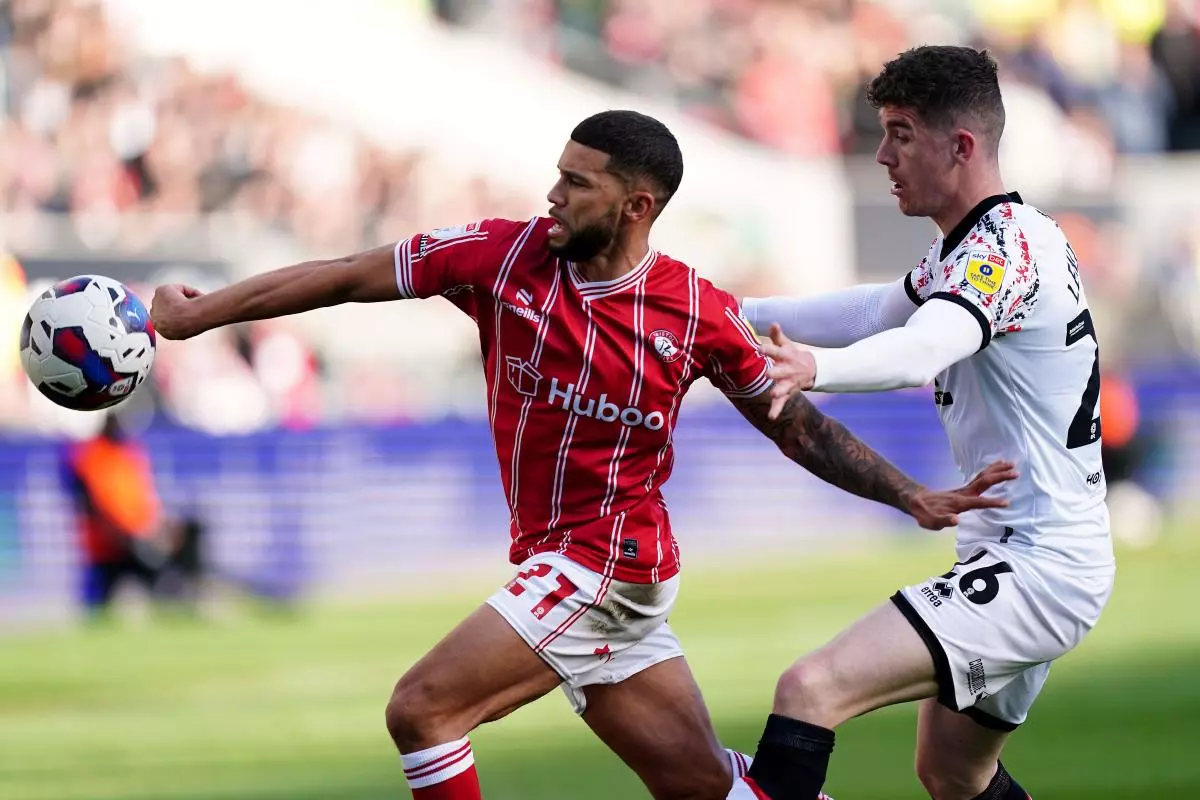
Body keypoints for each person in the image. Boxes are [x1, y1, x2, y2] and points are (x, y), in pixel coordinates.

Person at [150, 110, 1013, 800]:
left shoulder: (694, 313)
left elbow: (797, 425)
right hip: (569, 564)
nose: (552, 195)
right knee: (701, 787)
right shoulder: (503, 257)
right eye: (557, 174)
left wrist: (911, 495)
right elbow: (344, 273)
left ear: (636, 205)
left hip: (607, 560)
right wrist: (200, 315)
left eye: (576, 182)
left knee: (423, 712)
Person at [731, 47, 1115, 800]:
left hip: (1039, 566)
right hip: (1019, 551)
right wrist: (733, 315)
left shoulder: (1001, 251)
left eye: (900, 133)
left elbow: (921, 349)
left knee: (809, 691)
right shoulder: (981, 241)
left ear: (960, 145)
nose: (882, 155)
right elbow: (881, 310)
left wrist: (813, 368)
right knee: (952, 772)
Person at [63, 412, 169, 617]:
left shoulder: (130, 453)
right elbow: (90, 502)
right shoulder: (90, 456)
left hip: (134, 538)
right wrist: (113, 531)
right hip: (105, 543)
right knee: (99, 596)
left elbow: (142, 495)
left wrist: (149, 528)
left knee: (153, 581)